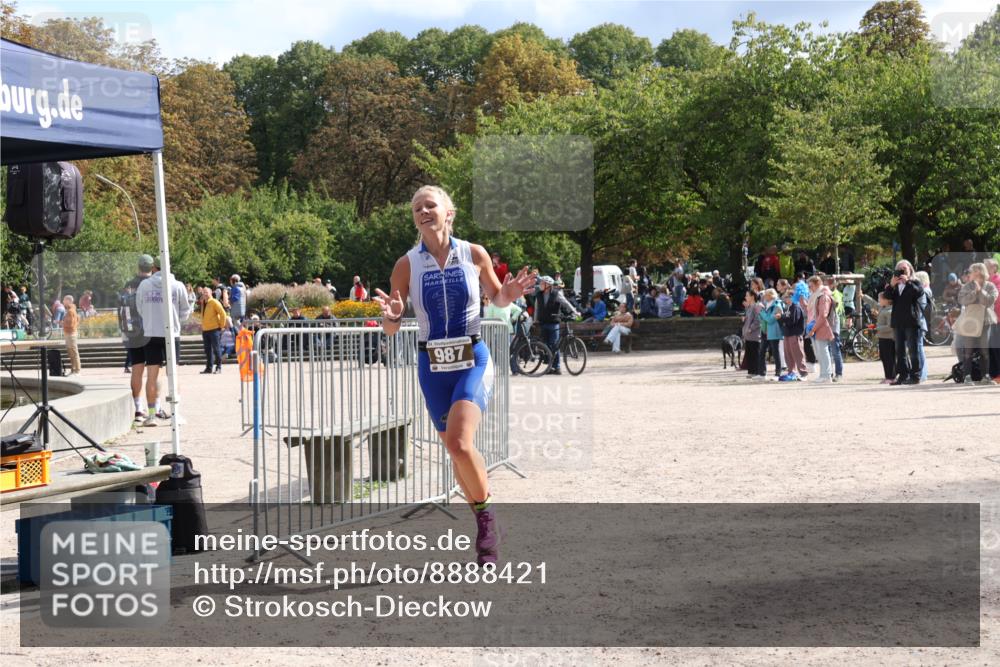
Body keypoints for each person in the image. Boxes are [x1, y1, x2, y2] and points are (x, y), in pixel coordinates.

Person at [374, 185, 535, 566]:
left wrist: (507, 294)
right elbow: (391, 327)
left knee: (461, 444)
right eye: (416, 208)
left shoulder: (473, 253)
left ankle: (486, 522)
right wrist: (394, 315)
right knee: (454, 451)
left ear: (449, 213)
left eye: (430, 205)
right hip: (432, 366)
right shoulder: (407, 264)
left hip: (472, 358)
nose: (423, 211)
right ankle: (483, 514)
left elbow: (495, 298)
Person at [135, 256, 192, 426]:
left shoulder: (144, 285)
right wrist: (175, 321)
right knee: (173, 374)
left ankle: (152, 414)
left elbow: (140, 308)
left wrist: (151, 320)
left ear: (154, 267)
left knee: (152, 375)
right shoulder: (178, 285)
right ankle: (175, 414)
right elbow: (185, 311)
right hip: (171, 333)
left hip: (151, 333)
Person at [884, 260, 927, 385]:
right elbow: (887, 298)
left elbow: (919, 292)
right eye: (899, 270)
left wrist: (907, 281)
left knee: (913, 350)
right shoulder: (895, 285)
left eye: (904, 269)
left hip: (911, 321)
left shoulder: (915, 282)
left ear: (910, 270)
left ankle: (915, 376)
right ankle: (903, 375)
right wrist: (891, 285)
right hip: (898, 321)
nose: (902, 272)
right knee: (900, 351)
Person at [955, 262, 998, 385]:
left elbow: (989, 301)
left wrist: (981, 291)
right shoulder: (967, 286)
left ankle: (985, 376)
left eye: (971, 271)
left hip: (985, 321)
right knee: (968, 350)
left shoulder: (990, 286)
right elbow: (962, 300)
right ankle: (967, 376)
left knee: (984, 350)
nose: (969, 274)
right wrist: (975, 291)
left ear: (979, 272)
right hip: (970, 323)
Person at [533, 275, 580, 375]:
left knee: (554, 345)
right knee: (546, 346)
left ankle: (557, 367)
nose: (540, 285)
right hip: (543, 322)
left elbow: (566, 303)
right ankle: (550, 367)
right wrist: (535, 320)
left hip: (553, 323)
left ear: (548, 285)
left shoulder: (556, 294)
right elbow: (537, 308)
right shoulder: (539, 295)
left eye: (542, 283)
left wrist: (575, 311)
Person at [122, 255, 153, 377]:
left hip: (135, 329)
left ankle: (137, 397)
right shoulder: (155, 283)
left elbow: (124, 307)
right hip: (153, 329)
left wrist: (126, 328)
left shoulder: (129, 284)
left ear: (138, 266)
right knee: (155, 369)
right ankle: (155, 396)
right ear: (152, 267)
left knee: (137, 368)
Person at [483, 292, 523, 374]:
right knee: (502, 352)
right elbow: (488, 319)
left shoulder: (506, 304)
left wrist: (513, 318)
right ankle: (504, 369)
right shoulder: (494, 305)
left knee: (508, 351)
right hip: (499, 332)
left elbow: (519, 310)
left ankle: (512, 369)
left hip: (507, 331)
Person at [805, 275, 835, 383]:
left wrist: (813, 328)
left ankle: (826, 375)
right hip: (816, 326)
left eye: (811, 286)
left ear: (818, 283)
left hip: (821, 326)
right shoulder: (816, 296)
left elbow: (823, 315)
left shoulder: (823, 296)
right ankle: (823, 374)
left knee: (823, 351)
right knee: (819, 352)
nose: (809, 288)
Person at [778, 289, 806, 379]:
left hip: (794, 334)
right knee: (788, 355)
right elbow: (785, 320)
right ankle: (791, 372)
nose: (785, 299)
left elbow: (792, 321)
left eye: (786, 297)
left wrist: (781, 317)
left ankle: (803, 373)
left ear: (792, 297)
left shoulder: (796, 307)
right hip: (787, 333)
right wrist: (781, 318)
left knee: (798, 354)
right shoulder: (787, 307)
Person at [199, 286, 226, 374]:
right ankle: (209, 368)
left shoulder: (214, 302)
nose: (204, 294)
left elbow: (223, 314)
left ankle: (219, 367)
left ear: (211, 293)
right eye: (203, 292)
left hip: (214, 329)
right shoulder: (203, 302)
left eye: (206, 292)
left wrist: (221, 326)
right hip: (205, 330)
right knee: (207, 350)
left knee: (216, 349)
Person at [758, 288, 784, 378]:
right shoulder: (765, 304)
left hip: (773, 331)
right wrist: (761, 313)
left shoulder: (777, 305)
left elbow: (770, 320)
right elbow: (762, 318)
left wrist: (762, 312)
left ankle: (778, 373)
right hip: (765, 331)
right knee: (761, 352)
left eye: (766, 294)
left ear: (770, 295)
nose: (764, 296)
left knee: (775, 353)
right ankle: (762, 373)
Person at [741, 291, 763, 378]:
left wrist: (751, 328)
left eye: (747, 295)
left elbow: (758, 320)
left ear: (752, 297)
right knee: (749, 354)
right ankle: (751, 371)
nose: (745, 297)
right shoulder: (749, 307)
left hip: (755, 335)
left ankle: (757, 371)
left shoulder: (757, 306)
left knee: (755, 354)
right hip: (748, 335)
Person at [875, 291, 896, 384]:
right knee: (883, 357)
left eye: (880, 298)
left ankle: (891, 377)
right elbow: (873, 303)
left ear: (886, 300)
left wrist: (877, 328)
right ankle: (887, 376)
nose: (878, 300)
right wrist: (863, 296)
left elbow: (890, 326)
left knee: (889, 358)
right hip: (882, 337)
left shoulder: (890, 311)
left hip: (889, 338)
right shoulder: (882, 308)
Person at [986, 259, 1000, 381]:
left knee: (996, 347)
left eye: (987, 266)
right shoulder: (986, 282)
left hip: (997, 319)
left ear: (994, 268)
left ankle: (997, 374)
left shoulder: (998, 281)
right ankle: (993, 374)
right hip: (988, 319)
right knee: (990, 347)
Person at [61, 295, 81, 375]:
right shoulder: (70, 310)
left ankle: (77, 370)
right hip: (69, 333)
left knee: (74, 352)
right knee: (71, 352)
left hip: (71, 333)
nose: (63, 302)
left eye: (64, 300)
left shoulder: (71, 311)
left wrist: (62, 323)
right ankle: (73, 369)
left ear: (69, 301)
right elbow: (78, 319)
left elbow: (71, 323)